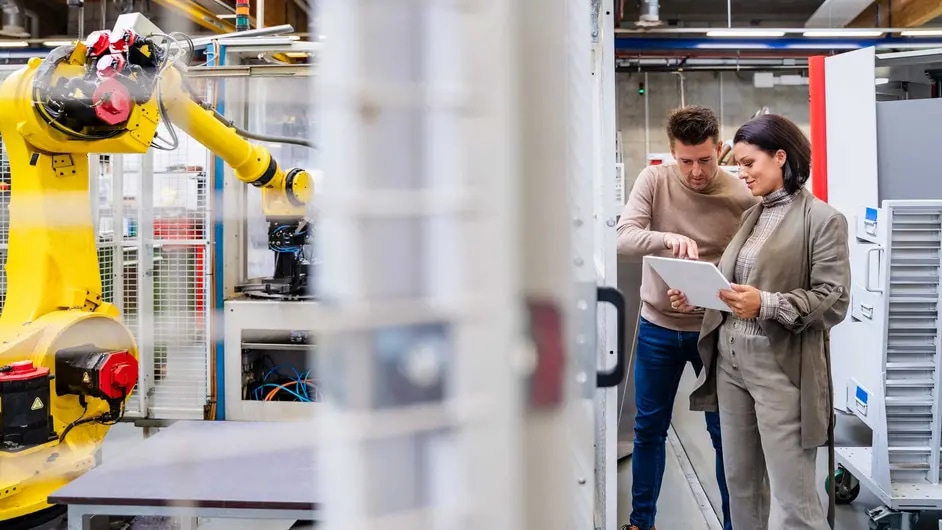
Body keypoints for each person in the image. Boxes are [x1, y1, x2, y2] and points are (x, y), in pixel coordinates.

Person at [670, 114, 850, 530]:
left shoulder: (822, 220)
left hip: (779, 367)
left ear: (781, 157)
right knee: (741, 485)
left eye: (749, 164)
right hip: (732, 361)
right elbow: (741, 288)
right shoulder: (752, 215)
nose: (742, 173)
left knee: (794, 498)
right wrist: (698, 294)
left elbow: (832, 300)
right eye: (739, 165)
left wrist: (766, 304)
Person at [616, 105, 756, 530]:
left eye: (705, 160)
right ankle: (642, 522)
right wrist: (667, 238)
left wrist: (704, 298)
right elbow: (623, 236)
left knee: (723, 434)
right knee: (649, 429)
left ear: (720, 149)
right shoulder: (653, 180)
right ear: (673, 153)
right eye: (686, 161)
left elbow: (749, 267)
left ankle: (735, 524)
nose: (695, 172)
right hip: (658, 326)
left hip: (713, 331)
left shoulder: (741, 197)